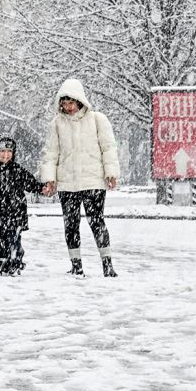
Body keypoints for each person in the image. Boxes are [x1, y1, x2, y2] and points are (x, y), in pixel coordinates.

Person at [39, 78, 120, 277]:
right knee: (71, 224)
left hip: (93, 182)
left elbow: (108, 147)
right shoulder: (57, 124)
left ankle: (107, 264)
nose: (68, 107)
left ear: (80, 101)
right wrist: (49, 178)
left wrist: (111, 173)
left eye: (71, 103)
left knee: (96, 221)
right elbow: (51, 153)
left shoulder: (97, 119)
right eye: (64, 104)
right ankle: (76, 265)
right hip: (67, 184)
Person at [0, 135, 42, 276]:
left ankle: (14, 262)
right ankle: (2, 263)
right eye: (2, 151)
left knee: (13, 238)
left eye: (9, 151)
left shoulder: (18, 171)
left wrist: (42, 188)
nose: (5, 155)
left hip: (16, 212)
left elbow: (31, 183)